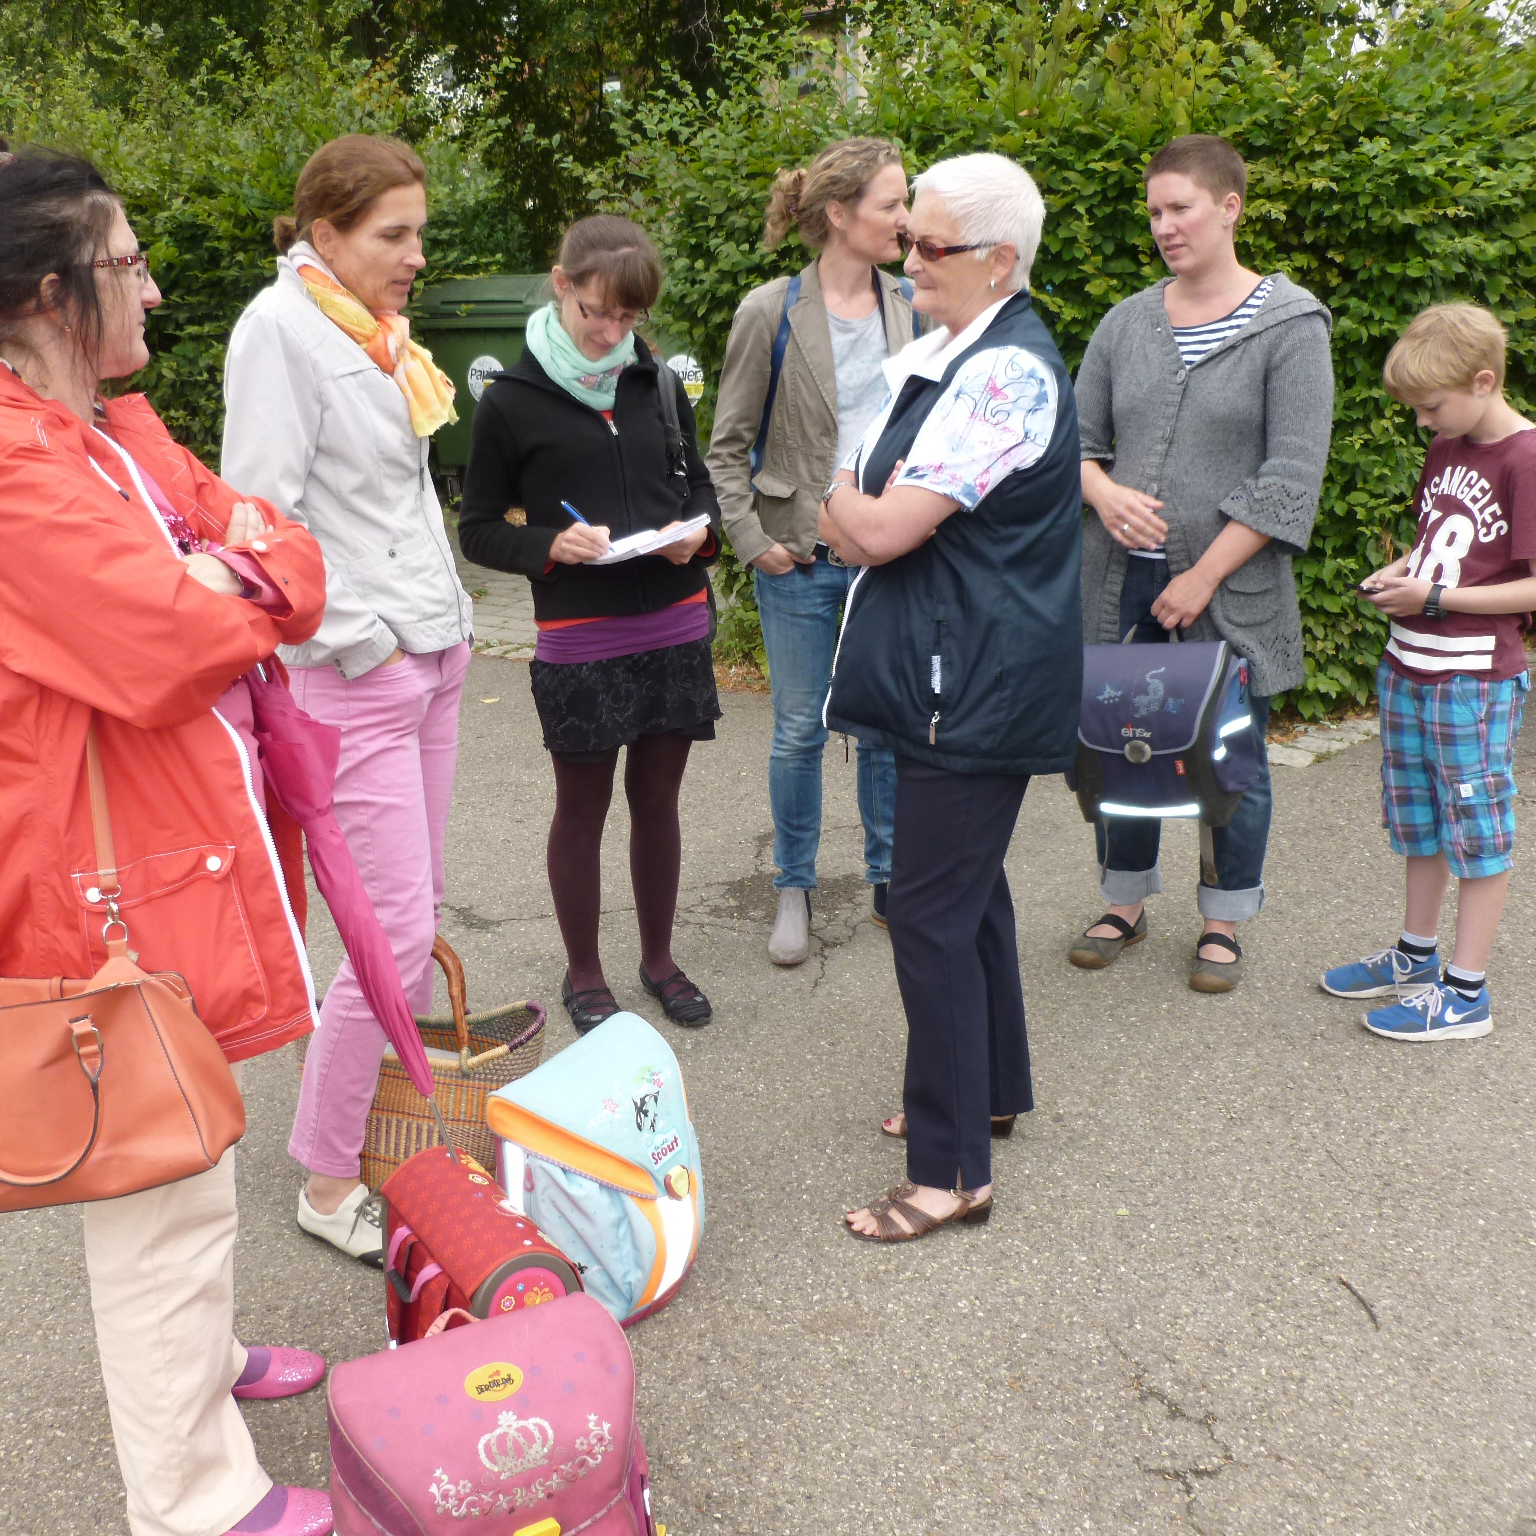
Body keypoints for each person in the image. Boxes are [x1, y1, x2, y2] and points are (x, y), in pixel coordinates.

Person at [0, 145, 332, 1536]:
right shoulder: (19, 471)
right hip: (105, 882)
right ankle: (191, 1499)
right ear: (49, 291)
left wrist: (224, 564)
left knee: (194, 1154)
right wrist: (215, 576)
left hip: (165, 849)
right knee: (155, 1185)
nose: (148, 286)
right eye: (126, 264)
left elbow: (285, 563)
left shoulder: (112, 434)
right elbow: (173, 642)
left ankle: (199, 1376)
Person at [819, 153, 1084, 1242]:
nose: (908, 258)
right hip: (959, 673)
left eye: (933, 246)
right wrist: (859, 494)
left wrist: (840, 491)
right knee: (969, 898)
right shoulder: (956, 351)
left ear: (1000, 262)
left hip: (964, 685)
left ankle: (951, 1171)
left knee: (926, 912)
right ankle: (989, 1093)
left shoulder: (1004, 373)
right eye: (909, 237)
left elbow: (877, 527)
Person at [222, 134, 475, 1264]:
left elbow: (403, 499)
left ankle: (379, 1133)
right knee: (392, 939)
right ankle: (327, 1185)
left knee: (408, 940)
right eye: (393, 234)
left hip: (435, 650)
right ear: (323, 235)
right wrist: (360, 640)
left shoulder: (370, 329)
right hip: (358, 673)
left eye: (419, 230)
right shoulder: (279, 332)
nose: (416, 254)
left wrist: (446, 622)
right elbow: (257, 522)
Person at [1068, 133, 1334, 992]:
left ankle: (1224, 919)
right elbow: (1074, 444)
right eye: (1153, 212)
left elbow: (1291, 477)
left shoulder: (1293, 326)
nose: (1163, 227)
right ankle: (1125, 903)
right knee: (1119, 746)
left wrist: (1203, 574)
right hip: (1116, 582)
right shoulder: (1125, 321)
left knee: (1230, 754)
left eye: (1179, 207)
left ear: (1229, 207)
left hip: (1228, 588)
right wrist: (1103, 495)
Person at [458, 215, 722, 1033]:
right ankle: (584, 970)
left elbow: (700, 490)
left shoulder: (660, 385)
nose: (611, 335)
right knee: (583, 805)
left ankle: (659, 960)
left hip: (674, 624)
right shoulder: (510, 401)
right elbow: (476, 528)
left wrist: (697, 535)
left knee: (659, 800)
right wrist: (550, 544)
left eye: (630, 319)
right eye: (596, 313)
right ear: (561, 284)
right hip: (581, 636)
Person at [707, 138, 916, 965]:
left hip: (889, 559)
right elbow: (726, 447)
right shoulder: (771, 310)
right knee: (798, 730)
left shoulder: (912, 305)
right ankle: (791, 885)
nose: (907, 219)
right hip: (800, 561)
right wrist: (754, 542)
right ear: (839, 213)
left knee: (887, 730)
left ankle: (891, 880)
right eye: (892, 204)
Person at [1322, 304, 1534, 1040]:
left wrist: (1437, 597)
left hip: (1473, 679)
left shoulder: (1526, 457)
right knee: (1419, 822)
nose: (1422, 422)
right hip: (1408, 666)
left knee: (1478, 829)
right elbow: (1437, 543)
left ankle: (1467, 993)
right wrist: (1402, 572)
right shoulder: (1449, 442)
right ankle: (1416, 957)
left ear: (1483, 381)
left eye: (1431, 406)